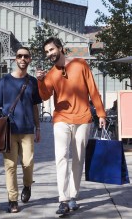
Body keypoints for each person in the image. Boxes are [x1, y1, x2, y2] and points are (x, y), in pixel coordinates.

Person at [36, 37, 106, 215]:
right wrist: (40, 81)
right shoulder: (51, 74)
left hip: (83, 118)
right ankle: (63, 199)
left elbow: (93, 90)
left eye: (51, 50)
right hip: (61, 119)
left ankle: (74, 196)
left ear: (60, 48)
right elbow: (44, 96)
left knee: (78, 158)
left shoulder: (80, 64)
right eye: (47, 52)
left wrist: (101, 113)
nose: (49, 54)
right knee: (61, 158)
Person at [0, 46, 42, 213]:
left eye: (25, 56)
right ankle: (12, 200)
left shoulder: (32, 82)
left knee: (28, 163)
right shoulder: (4, 81)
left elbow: (35, 106)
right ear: (15, 59)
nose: (22, 58)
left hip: (27, 130)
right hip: (8, 131)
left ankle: (27, 185)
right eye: (19, 56)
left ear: (29, 60)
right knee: (10, 166)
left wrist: (38, 127)